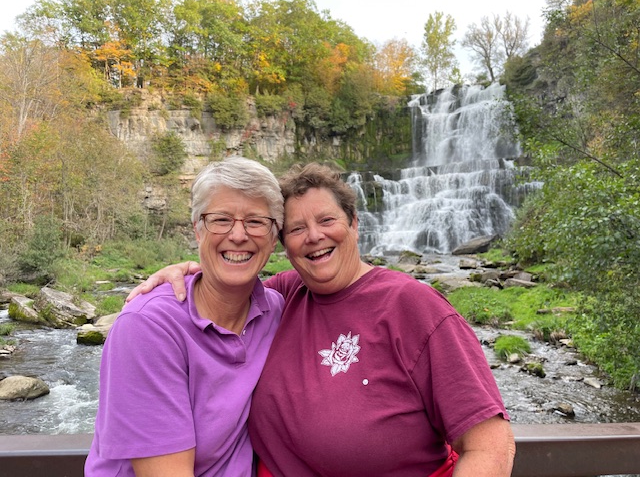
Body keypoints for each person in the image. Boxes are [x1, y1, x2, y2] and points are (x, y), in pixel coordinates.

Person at [128, 163, 516, 476]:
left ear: (354, 224)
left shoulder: (413, 307)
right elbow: (227, 274)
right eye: (297, 228)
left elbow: (491, 446)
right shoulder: (282, 295)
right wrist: (183, 272)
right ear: (285, 247)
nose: (313, 236)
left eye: (327, 220)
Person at [85, 157, 285, 477]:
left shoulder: (276, 310)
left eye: (256, 221)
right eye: (220, 219)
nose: (238, 235)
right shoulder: (148, 328)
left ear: (274, 237)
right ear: (197, 229)